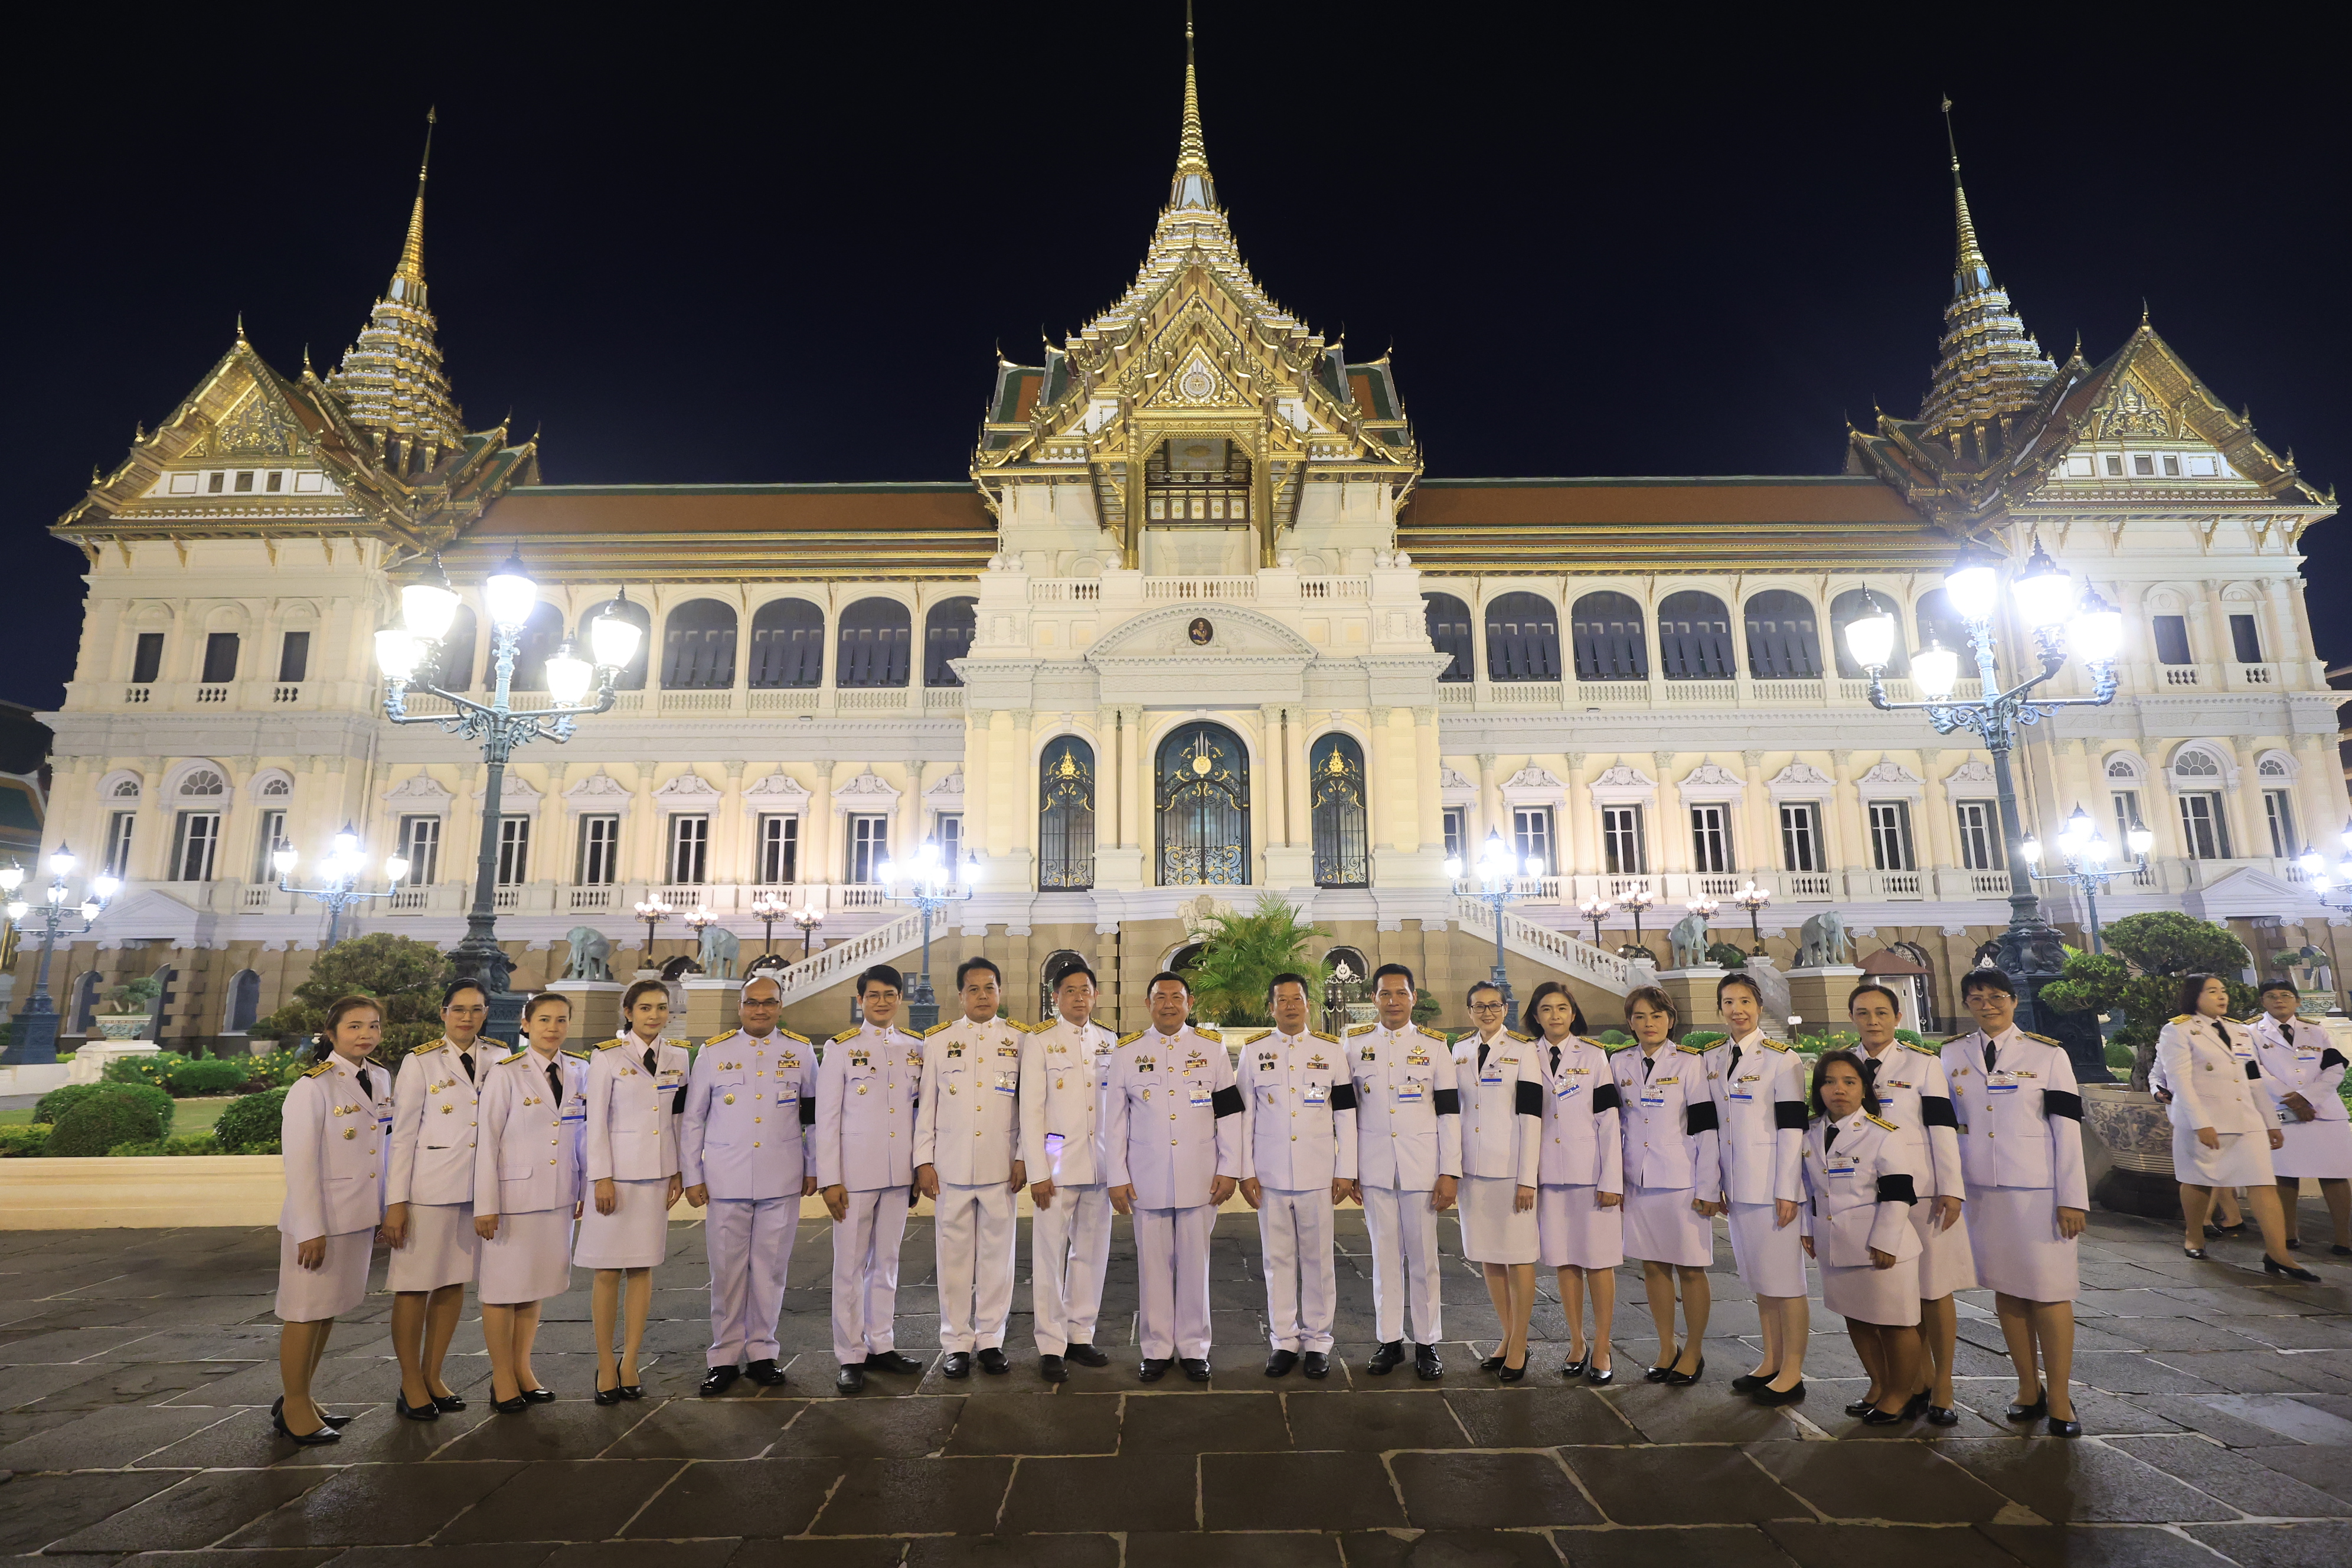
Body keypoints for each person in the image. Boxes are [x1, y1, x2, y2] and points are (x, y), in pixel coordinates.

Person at [1945, 967, 2086, 1436]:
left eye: (1997, 996)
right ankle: (2028, 1386)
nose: (1988, 1005)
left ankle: (2061, 1396)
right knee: (2006, 1289)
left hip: (2039, 1190)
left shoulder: (2048, 1055)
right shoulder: (1952, 1054)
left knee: (2050, 1290)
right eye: (1977, 997)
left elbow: (2067, 1129)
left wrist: (2072, 1197)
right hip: (1984, 1189)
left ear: (2013, 1001)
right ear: (1967, 1003)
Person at [680, 974, 818, 1394]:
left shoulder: (801, 1051)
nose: (760, 1010)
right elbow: (693, 1119)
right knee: (727, 1272)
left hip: (781, 1176)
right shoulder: (713, 1052)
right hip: (726, 1177)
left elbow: (812, 1118)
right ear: (740, 1007)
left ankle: (762, 1353)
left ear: (780, 1006)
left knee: (771, 1271)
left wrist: (814, 1168)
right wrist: (692, 1174)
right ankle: (723, 1357)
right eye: (752, 1003)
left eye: (769, 1003)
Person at [1105, 971, 1242, 1381]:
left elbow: (1230, 1113)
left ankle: (1195, 1347)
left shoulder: (1212, 1050)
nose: (1169, 1004)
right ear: (1148, 1004)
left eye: (1177, 997)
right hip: (1146, 1176)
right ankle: (1157, 1349)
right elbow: (1113, 1122)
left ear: (1190, 1004)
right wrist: (1116, 1175)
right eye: (1160, 997)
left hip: (1200, 1176)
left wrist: (1230, 1167)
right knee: (1153, 1266)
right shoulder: (1127, 1052)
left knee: (1195, 1263)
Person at [1847, 981, 1972, 1425]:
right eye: (1863, 1014)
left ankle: (1943, 1386)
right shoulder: (1846, 1065)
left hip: (1922, 1192)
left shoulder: (1922, 1065)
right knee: (1892, 1294)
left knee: (1934, 1289)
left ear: (1898, 1018)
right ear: (1853, 1019)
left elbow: (1942, 1127)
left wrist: (1951, 1188)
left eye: (1881, 1013)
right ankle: (1911, 1380)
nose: (1873, 1021)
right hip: (1869, 1198)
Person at [273, 994, 390, 1445]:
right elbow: (300, 1165)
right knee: (305, 1313)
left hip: (357, 1216)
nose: (365, 1035)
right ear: (332, 1033)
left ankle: (299, 1396)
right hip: (321, 1221)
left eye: (373, 1026)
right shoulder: (313, 1086)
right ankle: (294, 1405)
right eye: (355, 1026)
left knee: (327, 1313)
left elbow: (383, 1146)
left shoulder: (378, 1077)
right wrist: (310, 1229)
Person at [383, 979, 495, 1422]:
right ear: (443, 1013)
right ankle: (410, 1380)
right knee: (413, 1286)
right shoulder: (421, 1062)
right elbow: (403, 1136)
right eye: (459, 1009)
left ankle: (434, 1375)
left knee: (452, 1284)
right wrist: (396, 1203)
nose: (468, 1017)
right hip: (427, 1191)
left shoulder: (500, 1057)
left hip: (474, 1190)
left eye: (476, 1009)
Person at [472, 991, 589, 1412]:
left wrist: (585, 1186)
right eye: (543, 1020)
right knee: (503, 1289)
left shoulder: (579, 1070)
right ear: (526, 1025)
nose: (552, 1027)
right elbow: (486, 1141)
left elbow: (582, 1135)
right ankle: (501, 1377)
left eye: (560, 1020)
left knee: (533, 1287)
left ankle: (523, 1370)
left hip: (558, 1195)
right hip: (512, 1198)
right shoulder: (506, 1073)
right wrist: (485, 1204)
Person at [1237, 971, 1355, 1379]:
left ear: (1309, 1004)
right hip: (1270, 1174)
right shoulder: (1254, 1053)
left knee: (1320, 1260)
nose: (1290, 1005)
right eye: (1282, 1000)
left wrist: (1347, 1168)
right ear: (1271, 1007)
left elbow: (1346, 1113)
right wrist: (1245, 1171)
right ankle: (1284, 1340)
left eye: (1297, 998)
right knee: (1276, 1260)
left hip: (1318, 1172)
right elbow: (1245, 1117)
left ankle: (1319, 1340)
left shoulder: (1331, 1051)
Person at [816, 964, 927, 1393]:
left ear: (901, 999)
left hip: (898, 1174)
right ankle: (850, 1353)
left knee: (888, 1263)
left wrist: (919, 1168)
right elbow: (827, 1119)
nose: (882, 1001)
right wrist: (830, 1178)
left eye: (890, 994)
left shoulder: (914, 1048)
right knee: (849, 1267)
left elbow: (919, 1114)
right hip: (854, 1175)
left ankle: (881, 1344)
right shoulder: (841, 1048)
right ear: (860, 1000)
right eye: (874, 995)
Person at [2155, 975, 2312, 1278]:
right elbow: (2180, 1082)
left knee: (2263, 1183)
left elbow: (2253, 1077)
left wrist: (2270, 1122)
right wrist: (2202, 1124)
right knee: (2198, 1180)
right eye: (2212, 992)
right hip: (2205, 1119)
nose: (2221, 997)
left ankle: (2278, 1254)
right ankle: (2194, 1236)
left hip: (2246, 1119)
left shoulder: (2239, 1030)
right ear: (2194, 996)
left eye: (2223, 991)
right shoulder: (2178, 1030)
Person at [914, 958, 1028, 1378]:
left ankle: (991, 1339)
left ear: (1000, 992)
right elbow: (927, 1108)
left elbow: (1029, 1108)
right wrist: (923, 1160)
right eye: (974, 989)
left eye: (990, 988)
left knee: (999, 1258)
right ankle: (956, 1342)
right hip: (951, 1169)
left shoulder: (1019, 1040)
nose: (983, 996)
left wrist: (1024, 1158)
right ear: (961, 996)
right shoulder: (940, 1041)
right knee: (954, 1259)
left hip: (1002, 1168)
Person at [1348, 962, 1462, 1380]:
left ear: (1413, 997)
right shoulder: (1354, 1046)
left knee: (1424, 1259)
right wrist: (1350, 1168)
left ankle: (1428, 1342)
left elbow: (1450, 1114)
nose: (1392, 1001)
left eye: (1400, 993)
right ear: (1374, 999)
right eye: (1384, 993)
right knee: (1383, 1257)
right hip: (1376, 1169)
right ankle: (1389, 1340)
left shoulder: (1435, 1047)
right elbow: (1347, 1114)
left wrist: (1450, 1171)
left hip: (1422, 1170)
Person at [577, 978, 687, 1403]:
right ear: (629, 1012)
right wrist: (601, 1176)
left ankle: (630, 1361)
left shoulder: (679, 1056)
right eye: (645, 1008)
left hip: (656, 1176)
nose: (654, 1015)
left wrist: (677, 1171)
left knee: (643, 1270)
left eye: (661, 1008)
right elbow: (596, 1121)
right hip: (616, 1179)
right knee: (607, 1272)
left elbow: (678, 1119)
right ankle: (606, 1362)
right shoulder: (605, 1058)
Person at [1801, 1050, 1924, 1423]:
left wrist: (1886, 1241)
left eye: (1849, 1082)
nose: (1839, 1089)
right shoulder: (1810, 1132)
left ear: (1863, 1089)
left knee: (1894, 1322)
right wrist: (1808, 1230)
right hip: (1836, 1243)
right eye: (1829, 1081)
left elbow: (1899, 1191)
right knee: (1856, 1318)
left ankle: (1903, 1393)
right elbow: (1807, 1188)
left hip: (1880, 1247)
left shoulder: (1882, 1133)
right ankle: (1879, 1384)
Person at [1707, 973, 1808, 1403]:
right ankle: (1770, 1361)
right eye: (1729, 1003)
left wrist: (1788, 1190)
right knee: (1761, 1280)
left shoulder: (1782, 1060)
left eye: (1745, 1001)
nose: (1738, 1011)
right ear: (1721, 1010)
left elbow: (1793, 1129)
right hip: (1737, 1185)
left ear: (1760, 1006)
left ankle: (1793, 1372)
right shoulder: (1713, 1059)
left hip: (1771, 1186)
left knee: (1787, 1281)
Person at [1612, 985, 1719, 1386]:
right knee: (1652, 1267)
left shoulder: (1691, 1063)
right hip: (1637, 1179)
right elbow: (1613, 1124)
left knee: (1691, 1268)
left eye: (1656, 1016)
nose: (1648, 1024)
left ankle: (1693, 1350)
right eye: (1639, 1017)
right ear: (1630, 1023)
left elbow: (1706, 1128)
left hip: (1681, 1180)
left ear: (1670, 1020)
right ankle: (1665, 1347)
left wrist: (1709, 1186)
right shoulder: (1618, 1062)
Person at [1021, 958, 1119, 1383]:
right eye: (1070, 991)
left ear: (1096, 996)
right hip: (1057, 1166)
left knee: (1091, 1254)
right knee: (1049, 1255)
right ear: (1056, 998)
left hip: (1099, 1164)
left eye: (1086, 991)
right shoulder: (1041, 1041)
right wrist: (1038, 1171)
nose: (1080, 998)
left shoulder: (1110, 1041)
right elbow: (1030, 1110)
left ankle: (1081, 1334)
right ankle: (1051, 1343)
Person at [1525, 981, 1622, 1384]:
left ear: (1573, 1012)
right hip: (1548, 1173)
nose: (1555, 1016)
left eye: (1562, 1008)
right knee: (1564, 1259)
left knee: (1598, 1261)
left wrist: (1611, 1177)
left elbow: (1610, 1121)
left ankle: (1602, 1345)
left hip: (1590, 1173)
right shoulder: (1525, 1056)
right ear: (1535, 1016)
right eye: (1546, 1009)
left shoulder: (1595, 1056)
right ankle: (1577, 1342)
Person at [1453, 981, 1544, 1380]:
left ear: (1505, 1008)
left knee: (1520, 1257)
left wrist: (1528, 1178)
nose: (1487, 1012)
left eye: (1494, 1006)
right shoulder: (1458, 1051)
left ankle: (1521, 1344)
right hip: (1472, 1171)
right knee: (1489, 1256)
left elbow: (1532, 1116)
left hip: (1510, 1171)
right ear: (1469, 1011)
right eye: (1479, 1007)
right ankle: (1507, 1337)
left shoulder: (1524, 1051)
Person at [2249, 978, 2352, 1255]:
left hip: (2323, 1111)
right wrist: (2292, 1099)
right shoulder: (2250, 1032)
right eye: (2271, 996)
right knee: (2284, 1175)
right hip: (2281, 1113)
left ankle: (2344, 1238)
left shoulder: (2317, 1031)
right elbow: (2254, 1071)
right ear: (2263, 1002)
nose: (2278, 1000)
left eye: (2285, 995)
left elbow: (2335, 1068)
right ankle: (2287, 1235)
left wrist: (2308, 1098)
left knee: (2335, 1175)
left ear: (2297, 1001)